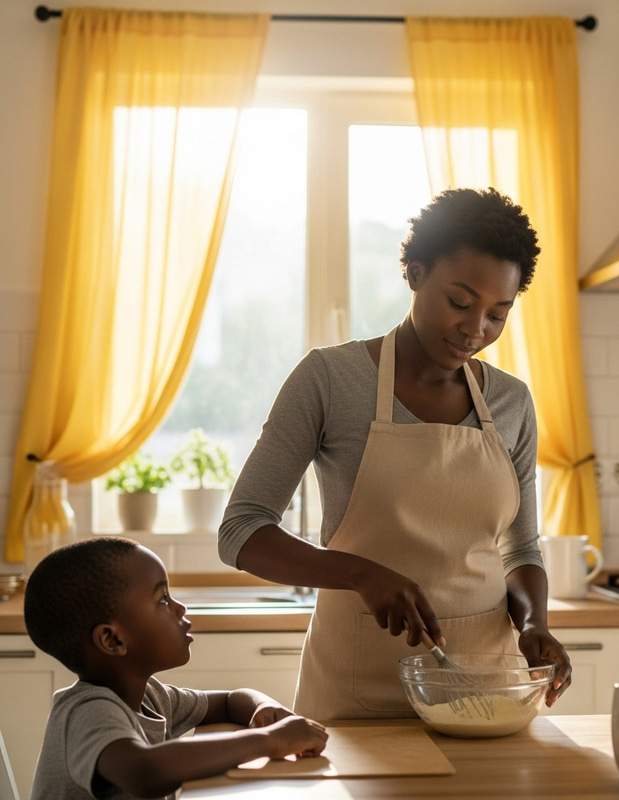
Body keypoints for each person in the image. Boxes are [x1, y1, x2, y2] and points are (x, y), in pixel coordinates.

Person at [219, 187, 573, 719]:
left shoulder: (511, 401)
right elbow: (241, 531)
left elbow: (520, 550)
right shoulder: (330, 380)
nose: (475, 330)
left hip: (483, 689)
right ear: (413, 272)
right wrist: (360, 574)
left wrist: (533, 624)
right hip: (358, 690)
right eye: (459, 302)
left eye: (498, 314)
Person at [23, 537, 328, 800]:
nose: (180, 608)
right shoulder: (87, 711)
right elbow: (145, 770)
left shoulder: (151, 697)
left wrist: (265, 708)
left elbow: (229, 700)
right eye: (163, 599)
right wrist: (271, 741)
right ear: (112, 639)